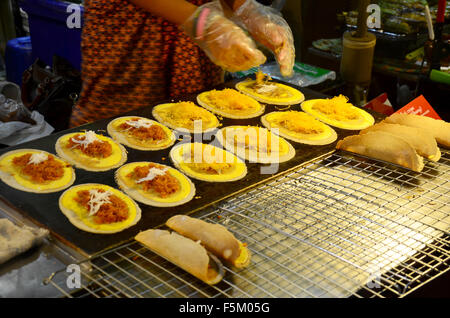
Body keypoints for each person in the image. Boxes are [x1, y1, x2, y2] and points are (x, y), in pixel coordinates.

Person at [69, 0, 295, 127]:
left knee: (194, 129)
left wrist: (248, 11)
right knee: (120, 133)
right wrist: (204, 24)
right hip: (133, 39)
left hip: (195, 46)